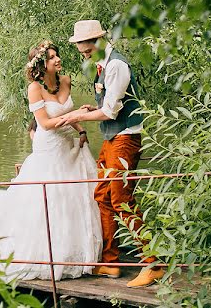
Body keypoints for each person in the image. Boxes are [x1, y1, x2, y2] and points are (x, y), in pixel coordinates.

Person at [0, 41, 101, 281]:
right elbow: (44, 123)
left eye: (57, 56)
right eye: (51, 57)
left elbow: (65, 113)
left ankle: (76, 253)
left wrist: (81, 129)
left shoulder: (65, 81)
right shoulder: (34, 88)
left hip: (68, 144)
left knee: (74, 196)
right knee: (50, 198)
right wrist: (78, 116)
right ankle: (46, 254)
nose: (57, 60)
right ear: (41, 65)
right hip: (49, 147)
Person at [56, 19, 165, 287]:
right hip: (111, 139)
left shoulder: (117, 65)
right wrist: (85, 110)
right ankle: (110, 262)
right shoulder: (102, 64)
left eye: (86, 51)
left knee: (121, 200)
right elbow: (105, 104)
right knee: (102, 196)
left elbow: (110, 112)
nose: (85, 56)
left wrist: (73, 117)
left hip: (125, 139)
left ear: (98, 42)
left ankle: (153, 264)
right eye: (82, 53)